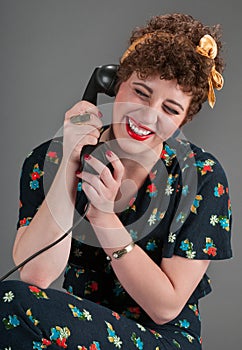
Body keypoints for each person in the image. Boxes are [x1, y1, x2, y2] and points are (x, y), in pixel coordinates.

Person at [0, 13, 232, 349]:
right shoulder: (46, 161)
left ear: (184, 119)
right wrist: (69, 159)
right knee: (12, 307)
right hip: (75, 330)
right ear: (113, 82)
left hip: (161, 339)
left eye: (169, 108)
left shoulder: (203, 177)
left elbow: (166, 307)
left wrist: (104, 218)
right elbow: (35, 276)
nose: (148, 115)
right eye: (140, 92)